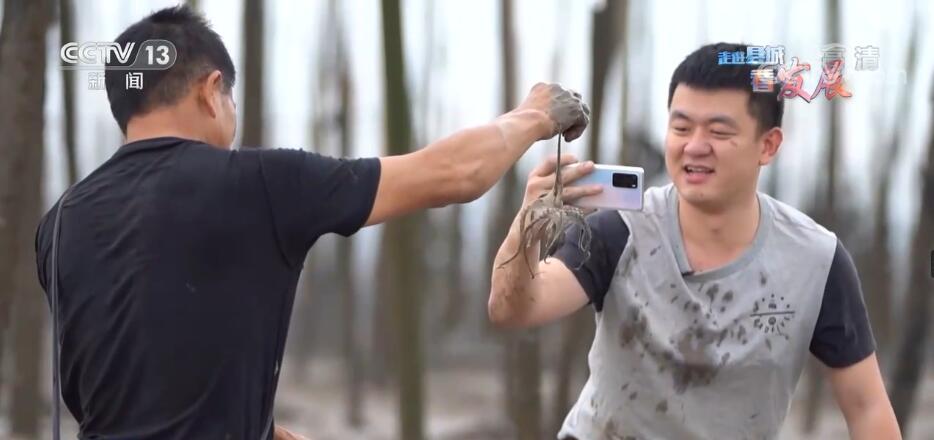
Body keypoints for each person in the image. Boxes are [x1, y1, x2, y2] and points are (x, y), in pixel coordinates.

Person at [33, 6, 590, 440]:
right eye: (231, 100)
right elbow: (455, 173)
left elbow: (118, 382)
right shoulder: (258, 183)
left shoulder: (61, 222)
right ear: (210, 91)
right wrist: (533, 115)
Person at [488, 42, 901, 439]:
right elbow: (515, 309)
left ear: (768, 145)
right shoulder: (620, 231)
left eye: (719, 132)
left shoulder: (815, 260)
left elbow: (867, 407)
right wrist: (528, 224)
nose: (695, 147)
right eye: (681, 127)